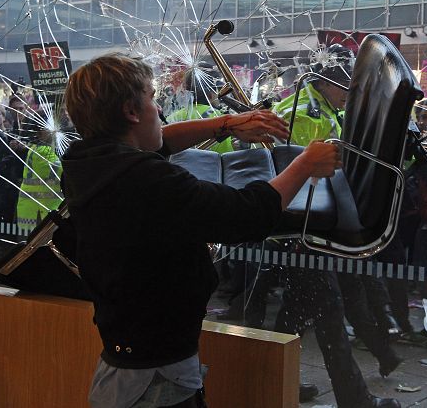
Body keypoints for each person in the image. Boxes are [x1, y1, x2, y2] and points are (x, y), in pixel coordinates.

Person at [60, 52, 341, 408]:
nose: (160, 111)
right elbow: (244, 215)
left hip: (130, 366)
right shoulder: (146, 180)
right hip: (155, 382)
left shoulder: (88, 164)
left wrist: (226, 124)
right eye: (152, 100)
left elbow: (160, 142)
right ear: (132, 111)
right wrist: (305, 164)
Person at [271, 48, 402, 407]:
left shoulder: (326, 109)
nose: (348, 89)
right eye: (343, 81)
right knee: (328, 312)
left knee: (295, 314)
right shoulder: (302, 111)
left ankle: (275, 378)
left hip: (311, 228)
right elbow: (292, 177)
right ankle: (355, 399)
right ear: (325, 81)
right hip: (304, 230)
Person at [15, 111, 62, 235]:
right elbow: (62, 169)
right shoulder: (41, 151)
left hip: (40, 213)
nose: (55, 130)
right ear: (39, 132)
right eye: (50, 126)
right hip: (36, 215)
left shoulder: (43, 149)